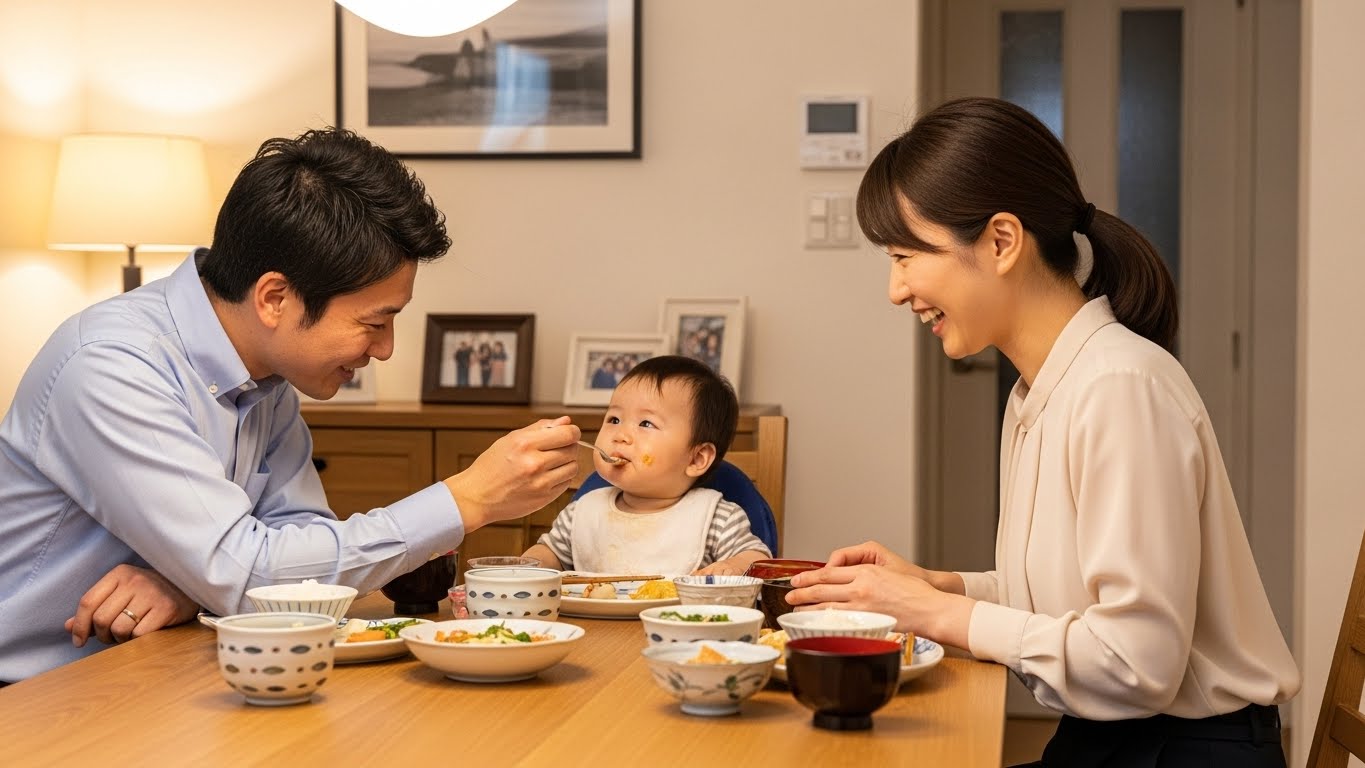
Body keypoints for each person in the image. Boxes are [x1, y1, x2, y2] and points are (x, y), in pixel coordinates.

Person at [784, 98, 1299, 767]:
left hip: (1183, 752)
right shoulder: (1042, 389)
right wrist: (937, 588)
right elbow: (1074, 607)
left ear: (1001, 241)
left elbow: (1133, 665)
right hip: (1115, 741)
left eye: (907, 255)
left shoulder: (1118, 388)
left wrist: (935, 615)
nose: (895, 289)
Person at [0, 127, 580, 683]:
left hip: (159, 667)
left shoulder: (267, 374)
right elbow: (249, 567)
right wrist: (469, 497)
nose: (385, 349)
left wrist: (189, 581)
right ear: (275, 298)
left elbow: (292, 538)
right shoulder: (113, 366)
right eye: (373, 323)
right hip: (37, 693)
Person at [522, 355, 770, 576]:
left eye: (646, 424)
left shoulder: (717, 518)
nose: (620, 435)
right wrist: (526, 566)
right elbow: (550, 553)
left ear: (696, 459)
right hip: (592, 628)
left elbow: (757, 559)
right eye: (614, 419)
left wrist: (733, 567)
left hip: (680, 626)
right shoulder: (581, 513)